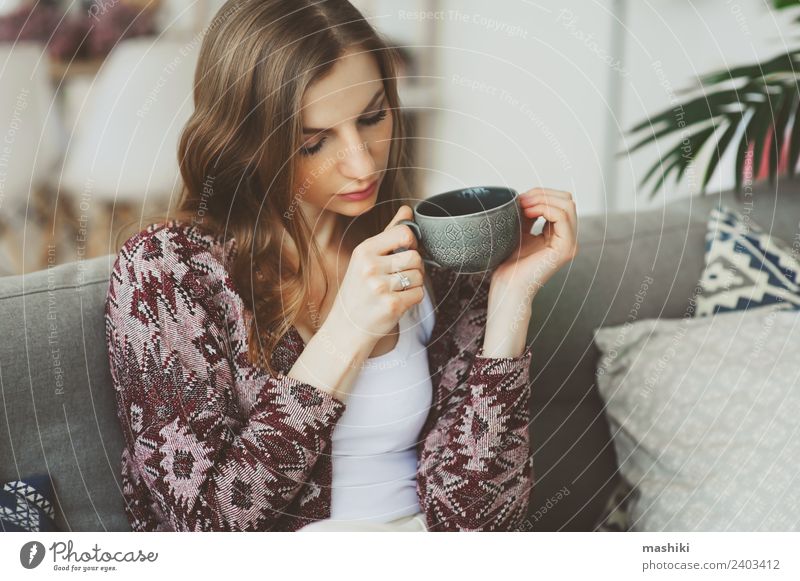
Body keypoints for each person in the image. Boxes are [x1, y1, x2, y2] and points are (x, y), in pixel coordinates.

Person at [104, 0, 578, 533]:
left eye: (373, 116)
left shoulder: (430, 258)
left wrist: (509, 303)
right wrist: (349, 328)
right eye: (313, 141)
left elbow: (482, 526)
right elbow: (210, 527)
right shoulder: (167, 273)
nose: (362, 161)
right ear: (246, 141)